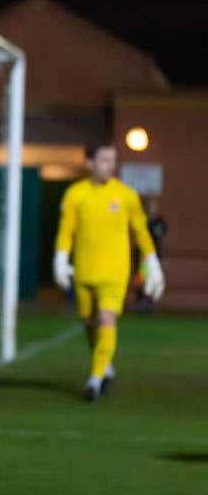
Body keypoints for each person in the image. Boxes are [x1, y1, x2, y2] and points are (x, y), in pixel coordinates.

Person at [52, 143, 164, 401]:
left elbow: (141, 231)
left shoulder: (126, 195)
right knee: (90, 324)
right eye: (103, 160)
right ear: (90, 163)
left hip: (114, 272)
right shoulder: (75, 194)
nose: (109, 165)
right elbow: (66, 230)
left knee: (106, 319)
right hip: (84, 270)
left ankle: (95, 379)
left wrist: (152, 262)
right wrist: (60, 257)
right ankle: (105, 367)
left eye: (112, 160)